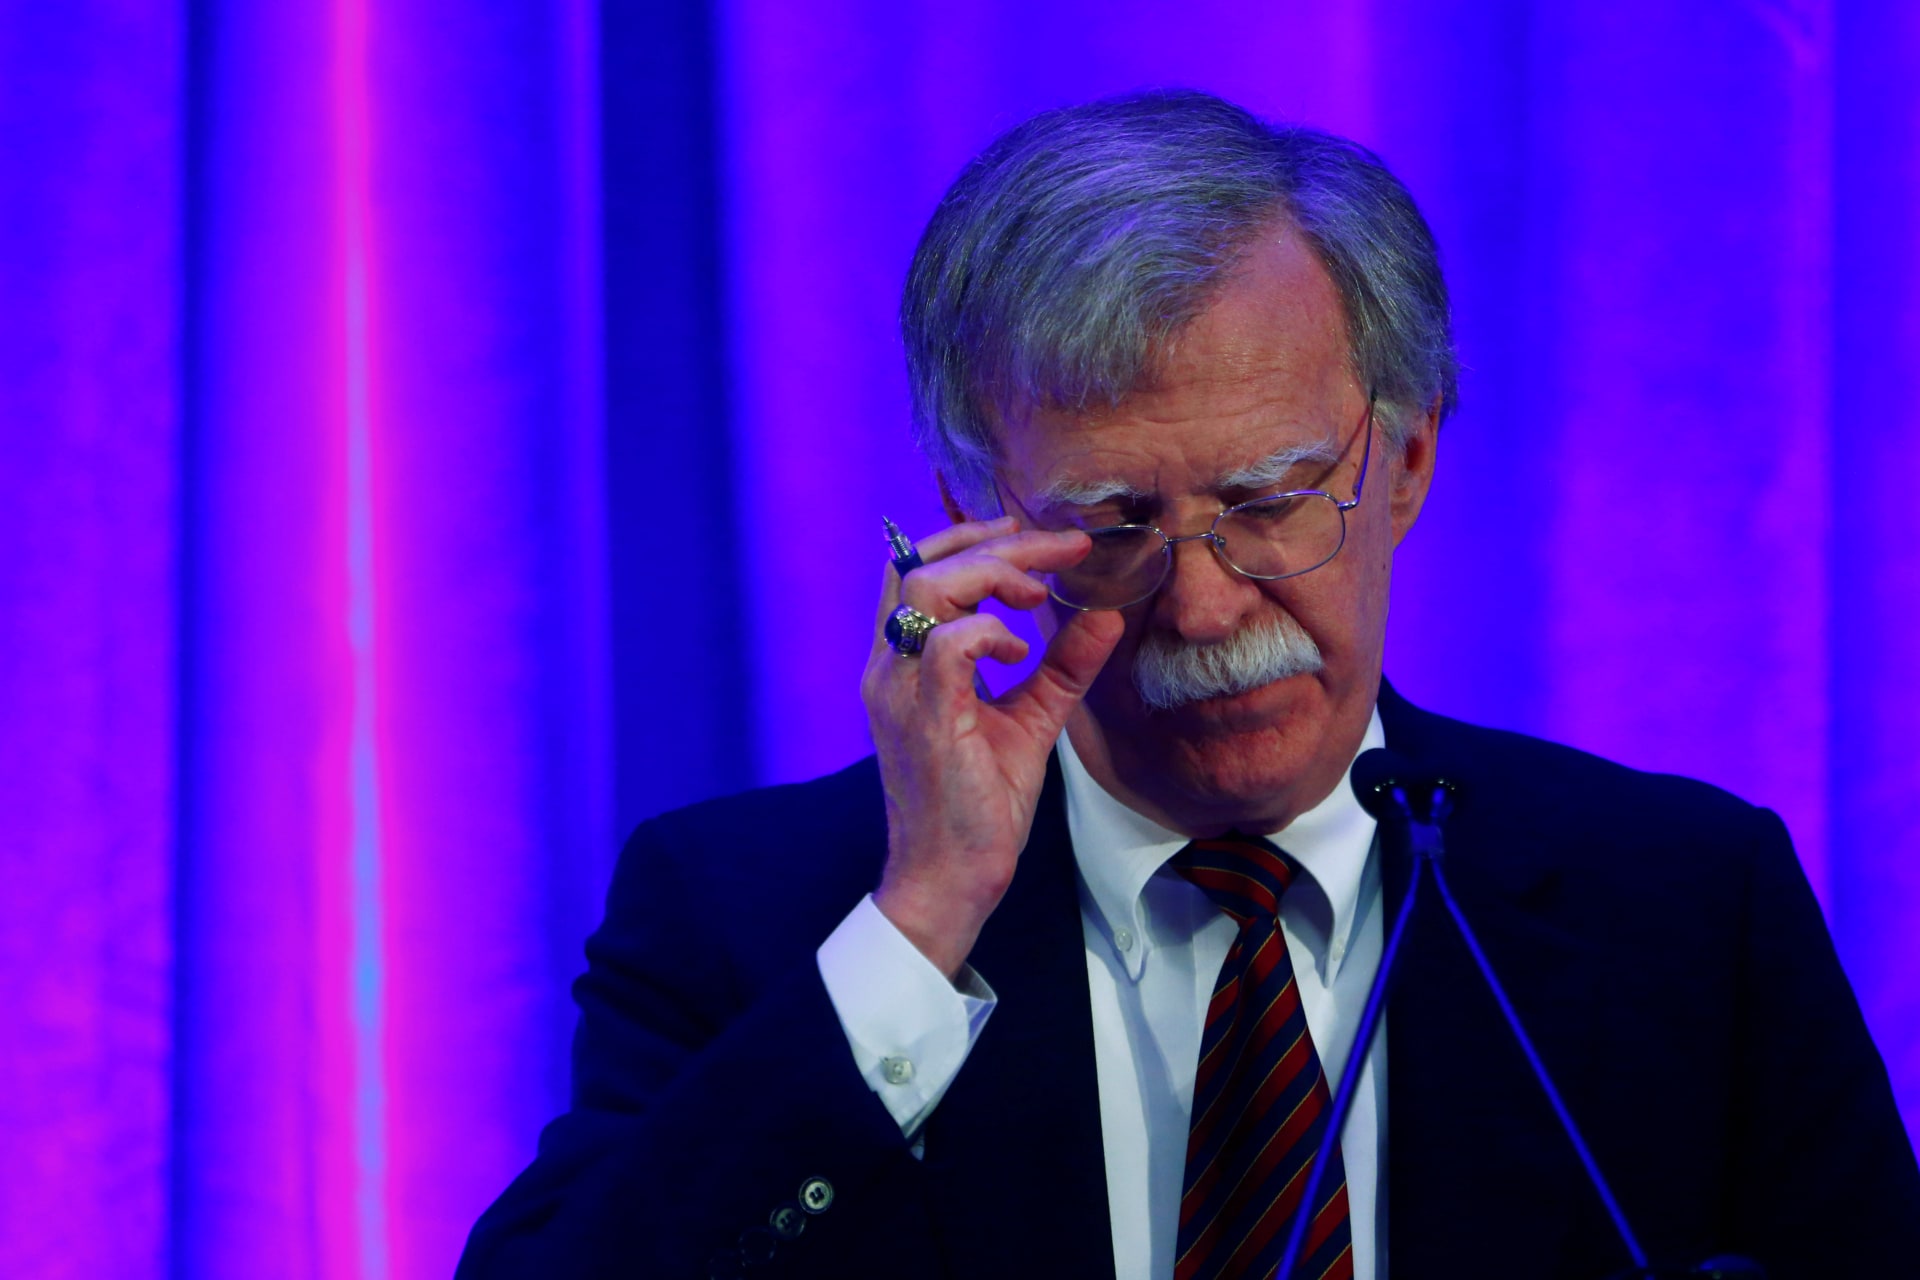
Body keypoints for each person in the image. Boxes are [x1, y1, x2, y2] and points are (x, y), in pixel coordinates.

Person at [458, 90, 1919, 1280]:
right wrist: (925, 921)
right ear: (980, 513)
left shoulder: (1681, 905)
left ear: (1401, 463)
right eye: (1110, 525)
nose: (1205, 606)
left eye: (1271, 500)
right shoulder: (755, 916)